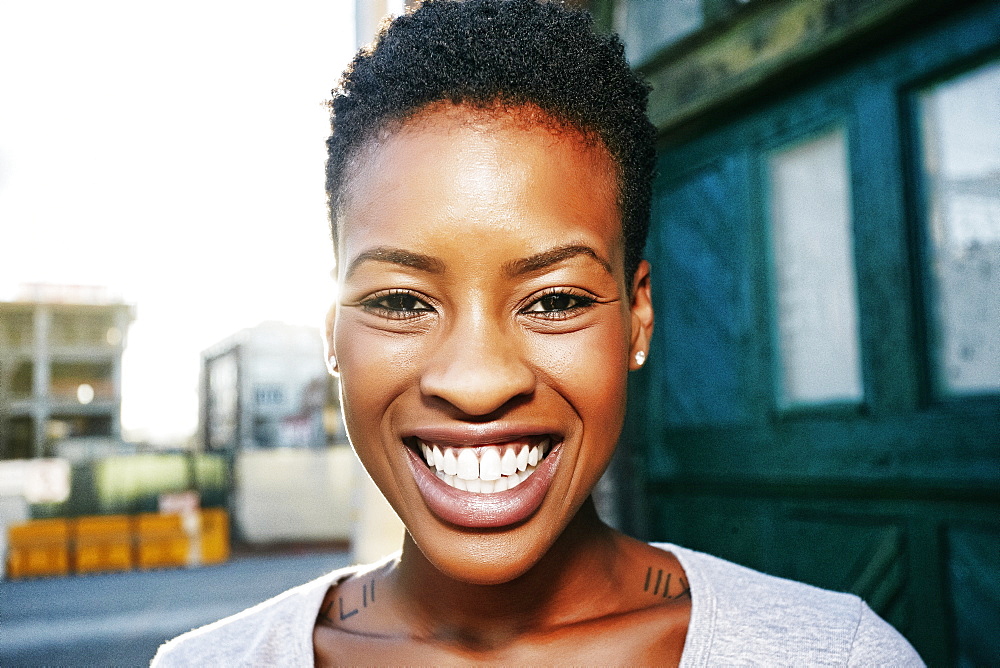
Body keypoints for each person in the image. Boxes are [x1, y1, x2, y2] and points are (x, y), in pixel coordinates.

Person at [153, 0, 923, 664]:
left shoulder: (834, 657)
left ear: (637, 318)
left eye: (554, 301)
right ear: (333, 333)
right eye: (400, 301)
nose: (478, 380)